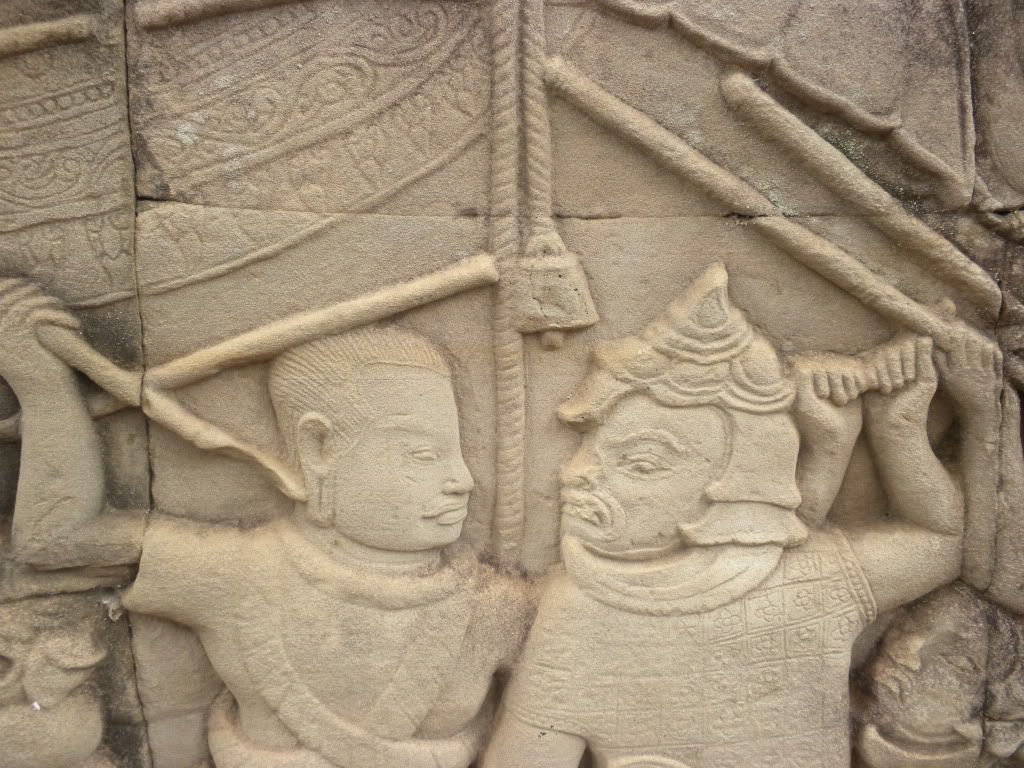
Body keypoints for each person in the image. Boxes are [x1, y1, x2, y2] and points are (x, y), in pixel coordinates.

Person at [483, 262, 1000, 768]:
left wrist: (899, 427)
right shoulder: (579, 611)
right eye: (588, 450)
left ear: (734, 484)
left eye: (640, 462)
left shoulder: (819, 581)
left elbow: (944, 545)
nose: (574, 473)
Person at [2, 279, 532, 768]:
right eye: (423, 455)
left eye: (456, 454)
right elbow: (57, 539)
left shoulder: (498, 607)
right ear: (317, 448)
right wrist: (41, 383)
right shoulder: (237, 575)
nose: (463, 480)